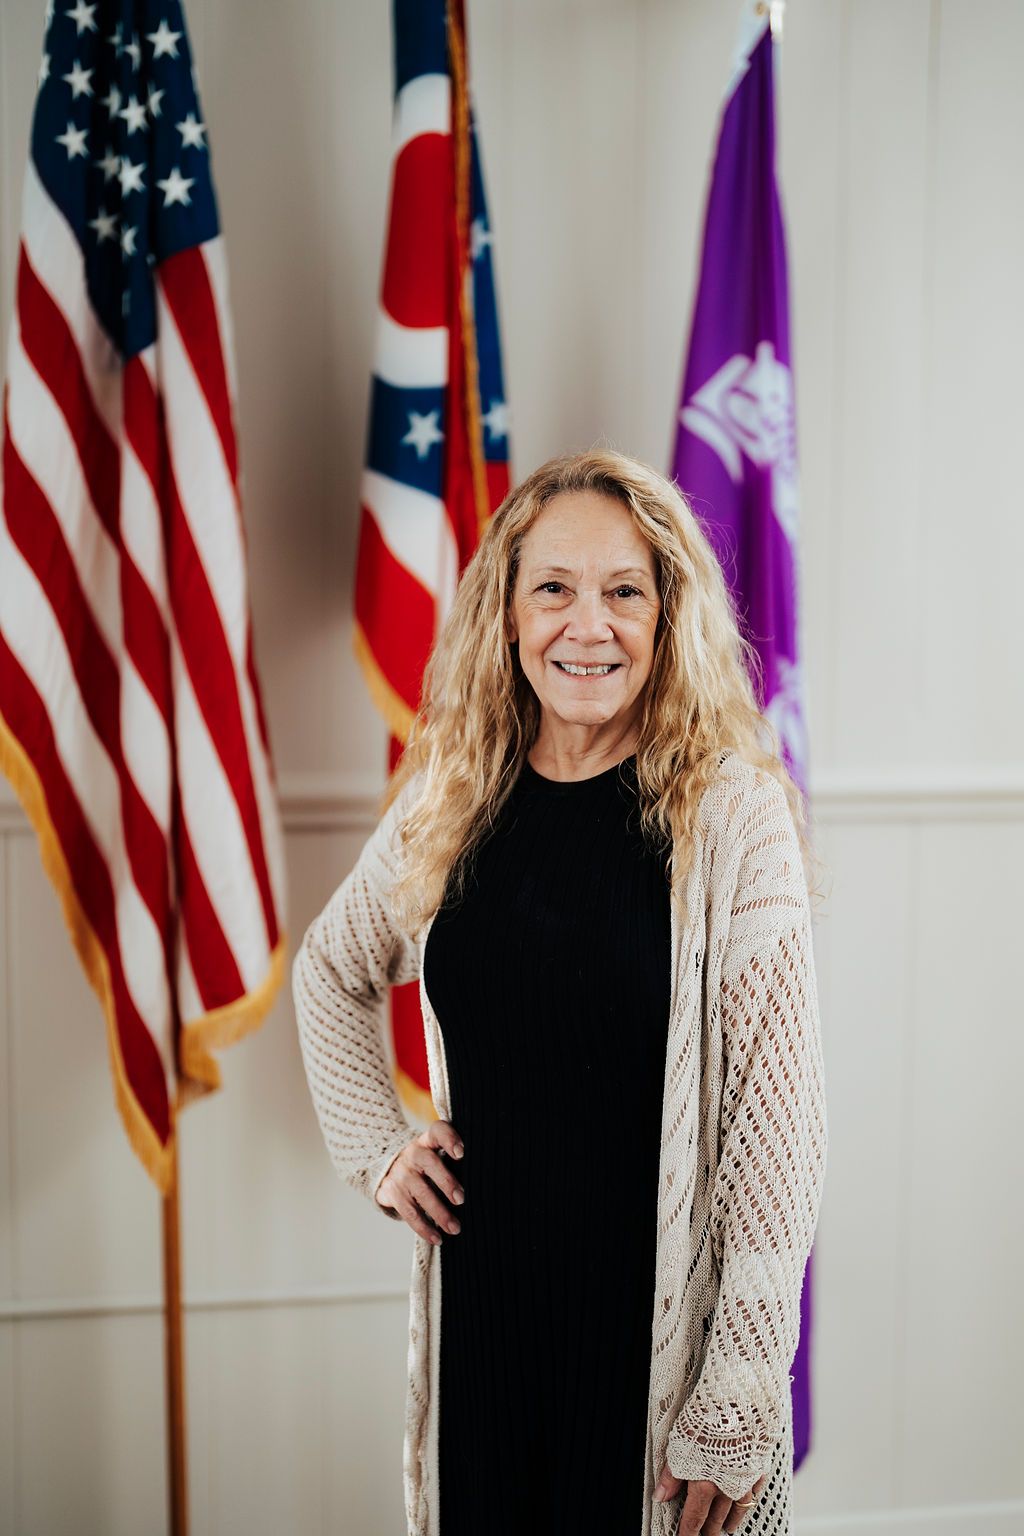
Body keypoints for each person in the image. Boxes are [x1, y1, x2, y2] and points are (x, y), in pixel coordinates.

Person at [292, 448, 829, 1536]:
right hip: (483, 1324)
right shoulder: (456, 791)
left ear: (668, 615)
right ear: (506, 614)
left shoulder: (733, 816)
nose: (587, 626)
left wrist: (732, 1403)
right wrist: (377, 1146)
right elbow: (332, 970)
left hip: (652, 1355)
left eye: (624, 591)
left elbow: (779, 1143)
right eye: (554, 589)